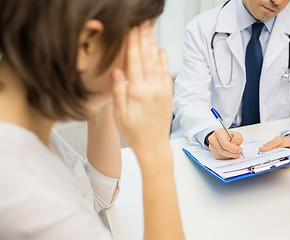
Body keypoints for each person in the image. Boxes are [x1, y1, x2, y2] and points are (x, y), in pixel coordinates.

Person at [0, 0, 184, 239]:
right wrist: (156, 153)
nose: (133, 71)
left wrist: (102, 85)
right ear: (86, 43)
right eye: (136, 51)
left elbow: (97, 195)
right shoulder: (30, 197)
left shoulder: (24, 127)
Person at [172, 0, 290, 159]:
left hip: (272, 145)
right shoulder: (202, 28)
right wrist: (209, 132)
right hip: (214, 146)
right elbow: (189, 98)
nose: (278, 2)